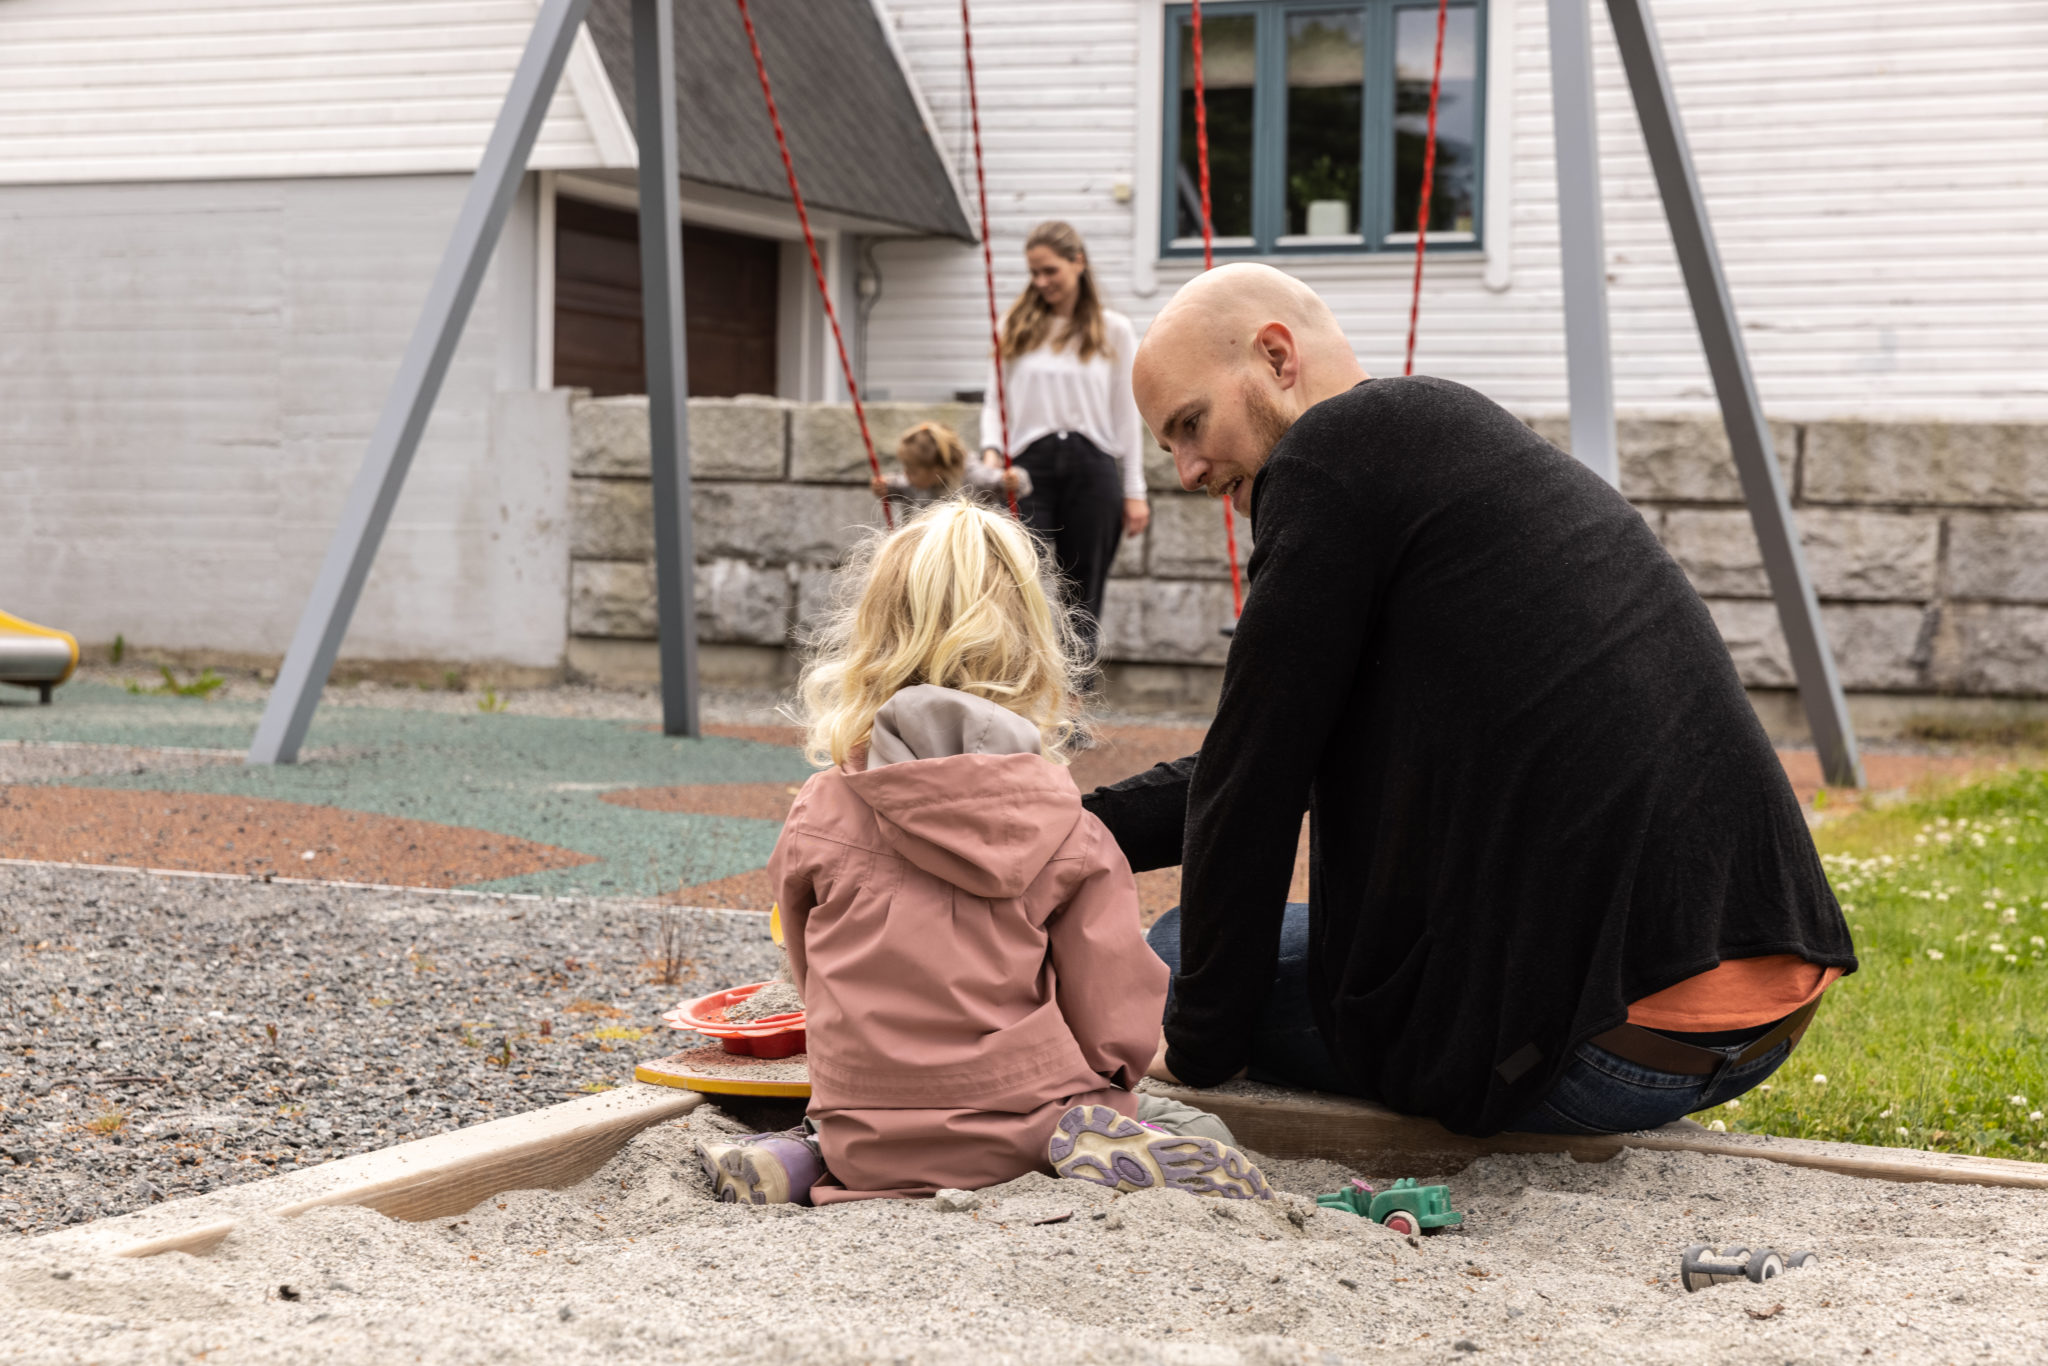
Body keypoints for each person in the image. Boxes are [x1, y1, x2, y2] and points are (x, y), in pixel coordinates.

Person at [1080, 262, 1856, 1139]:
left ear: (1275, 356)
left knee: (1167, 956)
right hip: (1760, 1019)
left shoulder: (1325, 460)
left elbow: (1251, 789)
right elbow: (1250, 763)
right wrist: (1072, 827)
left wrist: (1200, 1053)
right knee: (1230, 939)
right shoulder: (1443, 445)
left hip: (1599, 1047)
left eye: (1191, 423)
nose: (1186, 470)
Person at [696, 500, 1268, 1205]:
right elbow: (1112, 1015)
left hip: (867, 1130)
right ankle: (1078, 1148)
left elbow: (811, 970)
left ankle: (805, 1158)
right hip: (1028, 1125)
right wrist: (1114, 1080)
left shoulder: (820, 808)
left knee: (835, 1131)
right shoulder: (1061, 825)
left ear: (871, 639)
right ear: (1035, 651)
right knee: (1205, 1133)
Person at [983, 221, 1149, 667]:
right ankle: (1026, 697)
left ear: (1078, 263)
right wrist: (990, 452)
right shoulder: (1013, 326)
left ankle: (1073, 706)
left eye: (1050, 270)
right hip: (1027, 470)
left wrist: (1135, 491)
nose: (1041, 282)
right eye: (1034, 273)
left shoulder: (1113, 330)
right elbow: (993, 399)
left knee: (1083, 591)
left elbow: (1125, 412)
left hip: (1092, 465)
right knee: (1021, 585)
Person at [870, 420, 1029, 517]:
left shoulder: (974, 478)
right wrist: (885, 487)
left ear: (936, 470)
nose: (905, 475)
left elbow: (1015, 482)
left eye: (912, 471)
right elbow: (899, 484)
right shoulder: (915, 482)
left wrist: (1013, 480)